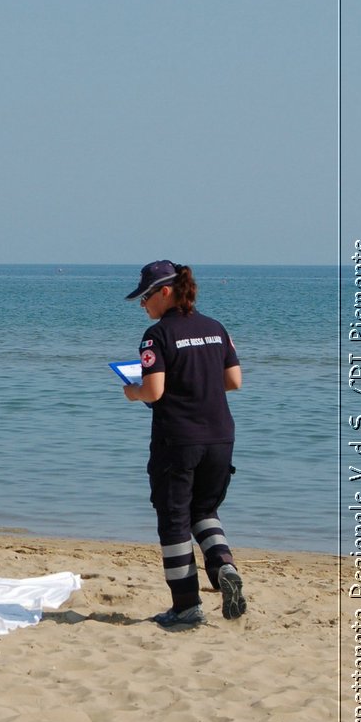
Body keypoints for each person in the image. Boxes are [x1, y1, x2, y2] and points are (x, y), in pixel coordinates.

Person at [122, 260, 246, 628]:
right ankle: (223, 565)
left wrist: (131, 392)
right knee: (204, 510)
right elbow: (234, 381)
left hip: (178, 440)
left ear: (165, 292)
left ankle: (186, 606)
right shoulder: (215, 328)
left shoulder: (156, 335)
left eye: (145, 297)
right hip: (221, 436)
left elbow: (153, 391)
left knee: (174, 521)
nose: (143, 306)